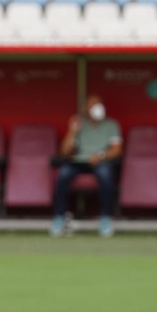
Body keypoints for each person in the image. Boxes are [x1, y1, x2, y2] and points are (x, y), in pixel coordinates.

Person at [50, 94, 122, 238]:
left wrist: (101, 156)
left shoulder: (111, 125)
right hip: (79, 162)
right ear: (86, 109)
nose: (97, 107)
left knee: (106, 175)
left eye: (99, 104)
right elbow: (65, 151)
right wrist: (72, 130)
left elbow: (117, 149)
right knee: (63, 174)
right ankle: (59, 217)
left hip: (100, 161)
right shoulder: (80, 125)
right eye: (93, 105)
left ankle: (105, 218)